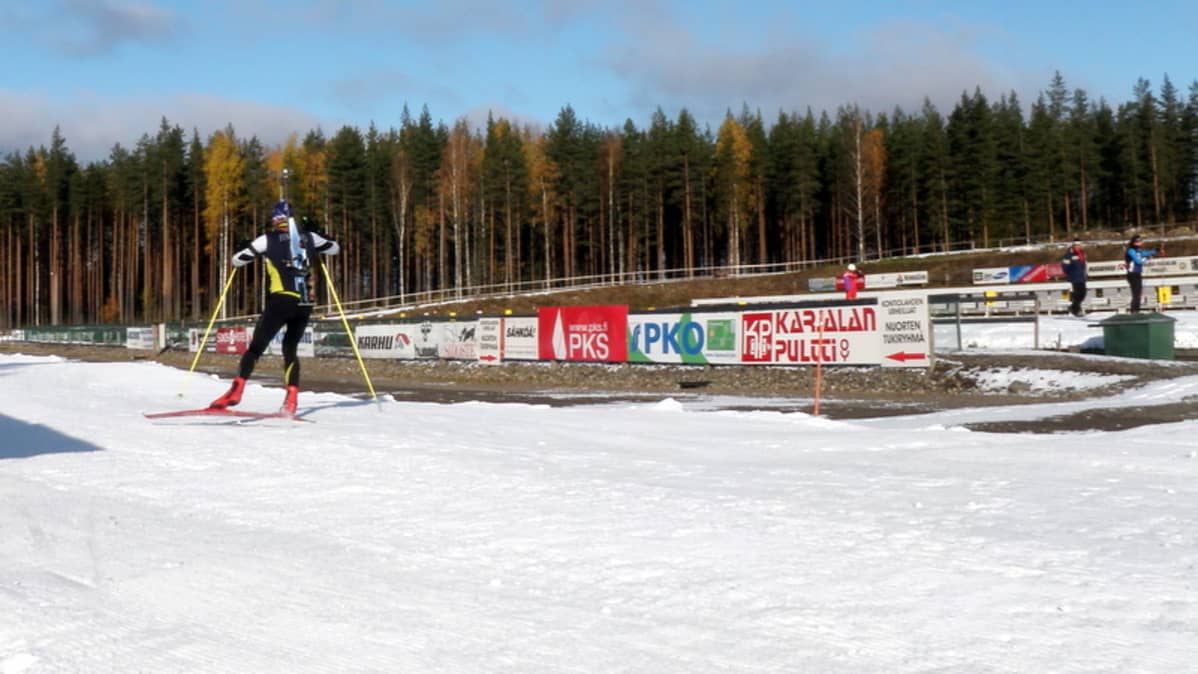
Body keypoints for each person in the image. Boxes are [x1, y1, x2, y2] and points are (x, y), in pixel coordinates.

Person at [209, 200, 340, 414]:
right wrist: (319, 233)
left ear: (275, 219)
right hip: (304, 303)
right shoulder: (309, 237)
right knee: (290, 350)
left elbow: (237, 261)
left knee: (255, 348)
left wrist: (242, 248)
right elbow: (334, 249)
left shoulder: (267, 239)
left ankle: (236, 391)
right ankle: (291, 400)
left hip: (281, 300)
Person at [1124, 234, 1157, 313]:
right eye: (1139, 241)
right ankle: (1134, 311)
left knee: (1139, 293)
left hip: (1137, 273)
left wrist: (1155, 251)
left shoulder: (1138, 250)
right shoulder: (1131, 250)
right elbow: (1138, 261)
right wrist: (1146, 258)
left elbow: (1144, 253)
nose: (1141, 242)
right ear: (1135, 242)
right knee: (1136, 294)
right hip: (1132, 274)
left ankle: (1137, 310)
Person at [1060, 240, 1088, 316]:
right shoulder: (1069, 254)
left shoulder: (1082, 254)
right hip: (1074, 277)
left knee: (1083, 293)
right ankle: (1076, 310)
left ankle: (1073, 307)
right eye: (1076, 245)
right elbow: (1064, 266)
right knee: (1078, 293)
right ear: (1073, 246)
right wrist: (1070, 273)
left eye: (1079, 245)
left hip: (1081, 277)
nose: (1078, 246)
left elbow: (1084, 265)